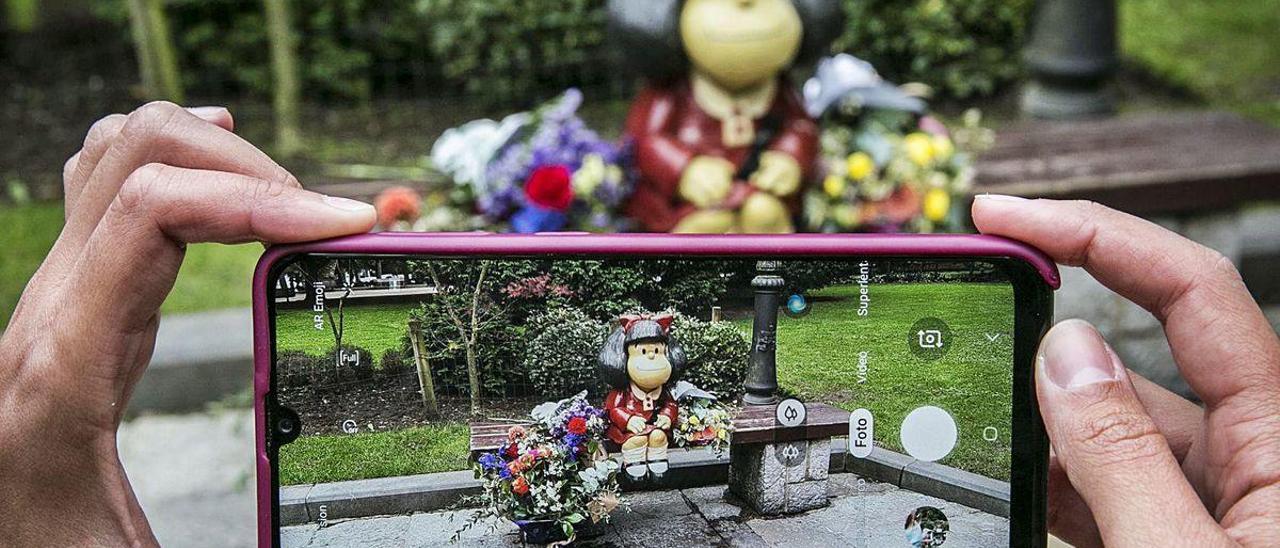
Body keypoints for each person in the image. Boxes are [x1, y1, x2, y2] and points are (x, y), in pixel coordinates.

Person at [0, 103, 1276, 546]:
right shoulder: (618, 381)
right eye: (647, 346)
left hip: (638, 431)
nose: (657, 353)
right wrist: (608, 425)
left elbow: (666, 399)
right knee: (576, 453)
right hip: (597, 440)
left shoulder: (667, 365)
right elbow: (624, 407)